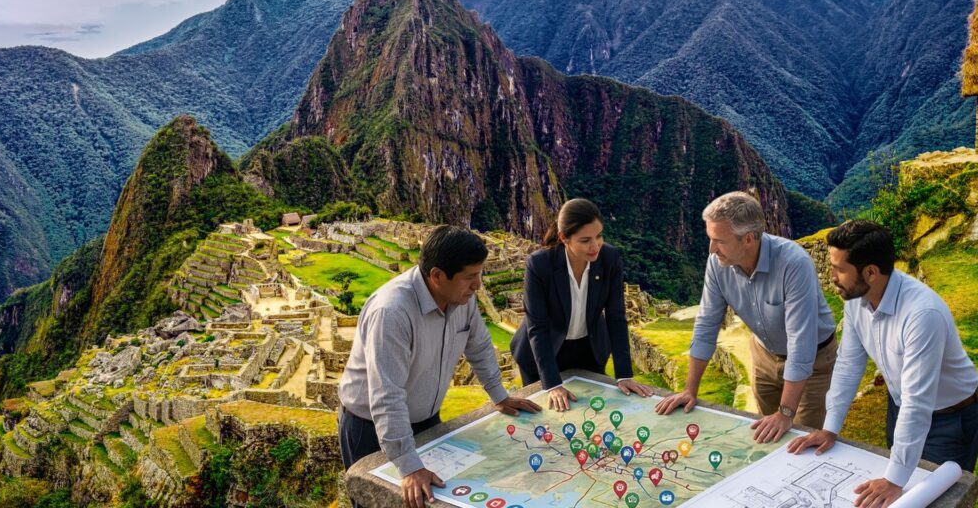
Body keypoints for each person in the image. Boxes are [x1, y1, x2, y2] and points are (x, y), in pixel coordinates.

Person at [337, 225, 541, 508]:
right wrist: (408, 466)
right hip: (370, 427)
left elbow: (479, 346)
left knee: (434, 498)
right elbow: (387, 394)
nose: (478, 286)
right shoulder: (392, 312)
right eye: (470, 277)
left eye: (479, 274)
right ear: (436, 276)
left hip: (426, 418)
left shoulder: (461, 299)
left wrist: (500, 395)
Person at [788, 220, 978, 507]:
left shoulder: (922, 314)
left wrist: (894, 480)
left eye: (839, 269)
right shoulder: (856, 299)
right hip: (899, 404)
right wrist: (830, 427)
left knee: (933, 500)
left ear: (871, 272)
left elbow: (918, 402)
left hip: (951, 419)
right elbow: (849, 364)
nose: (831, 276)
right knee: (900, 488)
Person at [655, 191, 836, 443]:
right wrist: (689, 390)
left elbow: (801, 343)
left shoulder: (794, 263)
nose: (711, 248)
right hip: (764, 355)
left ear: (748, 239)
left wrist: (785, 413)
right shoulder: (718, 264)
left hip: (815, 361)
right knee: (766, 433)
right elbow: (707, 323)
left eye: (719, 240)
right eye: (710, 238)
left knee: (802, 440)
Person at [510, 198, 652, 412]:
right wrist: (553, 384)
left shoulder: (610, 259)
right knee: (545, 419)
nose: (595, 246)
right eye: (585, 240)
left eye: (599, 236)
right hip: (543, 354)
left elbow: (616, 316)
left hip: (589, 350)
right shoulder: (540, 264)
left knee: (595, 414)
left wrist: (623, 374)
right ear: (564, 238)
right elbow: (537, 326)